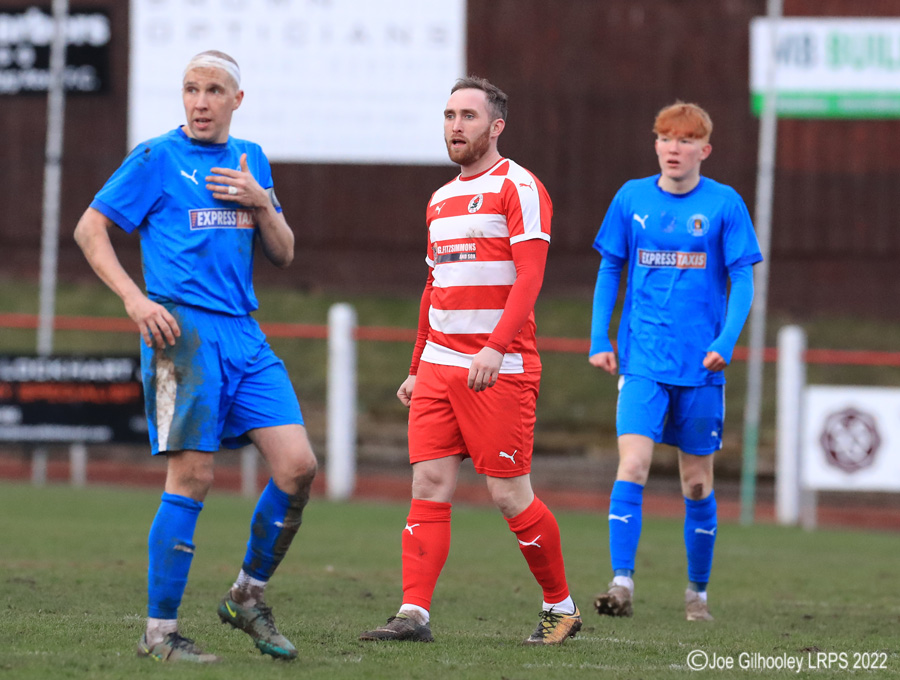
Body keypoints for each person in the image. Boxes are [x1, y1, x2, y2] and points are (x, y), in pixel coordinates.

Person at [74, 50, 317, 663]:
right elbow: (89, 229)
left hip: (244, 334)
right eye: (190, 88)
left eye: (213, 90)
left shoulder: (250, 158)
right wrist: (134, 299)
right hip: (180, 331)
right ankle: (159, 634)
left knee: (297, 468)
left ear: (237, 100)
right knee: (193, 477)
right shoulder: (157, 157)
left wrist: (261, 201)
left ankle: (246, 597)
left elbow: (284, 253)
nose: (200, 101)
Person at [359, 76, 581, 646]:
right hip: (439, 367)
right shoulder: (438, 199)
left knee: (509, 494)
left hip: (498, 369)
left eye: (468, 116)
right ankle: (413, 613)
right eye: (449, 115)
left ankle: (560, 608)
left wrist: (495, 347)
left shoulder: (519, 186)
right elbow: (435, 287)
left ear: (496, 126)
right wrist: (417, 366)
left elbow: (530, 277)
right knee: (428, 483)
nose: (455, 126)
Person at [589, 101, 762, 622]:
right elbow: (610, 268)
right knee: (633, 465)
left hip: (701, 368)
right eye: (666, 138)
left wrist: (726, 341)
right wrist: (599, 337)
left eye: (685, 141)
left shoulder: (725, 204)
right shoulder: (631, 197)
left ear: (704, 150)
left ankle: (696, 595)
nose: (674, 149)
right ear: (656, 144)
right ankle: (621, 584)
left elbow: (743, 279)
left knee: (697, 483)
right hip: (642, 360)